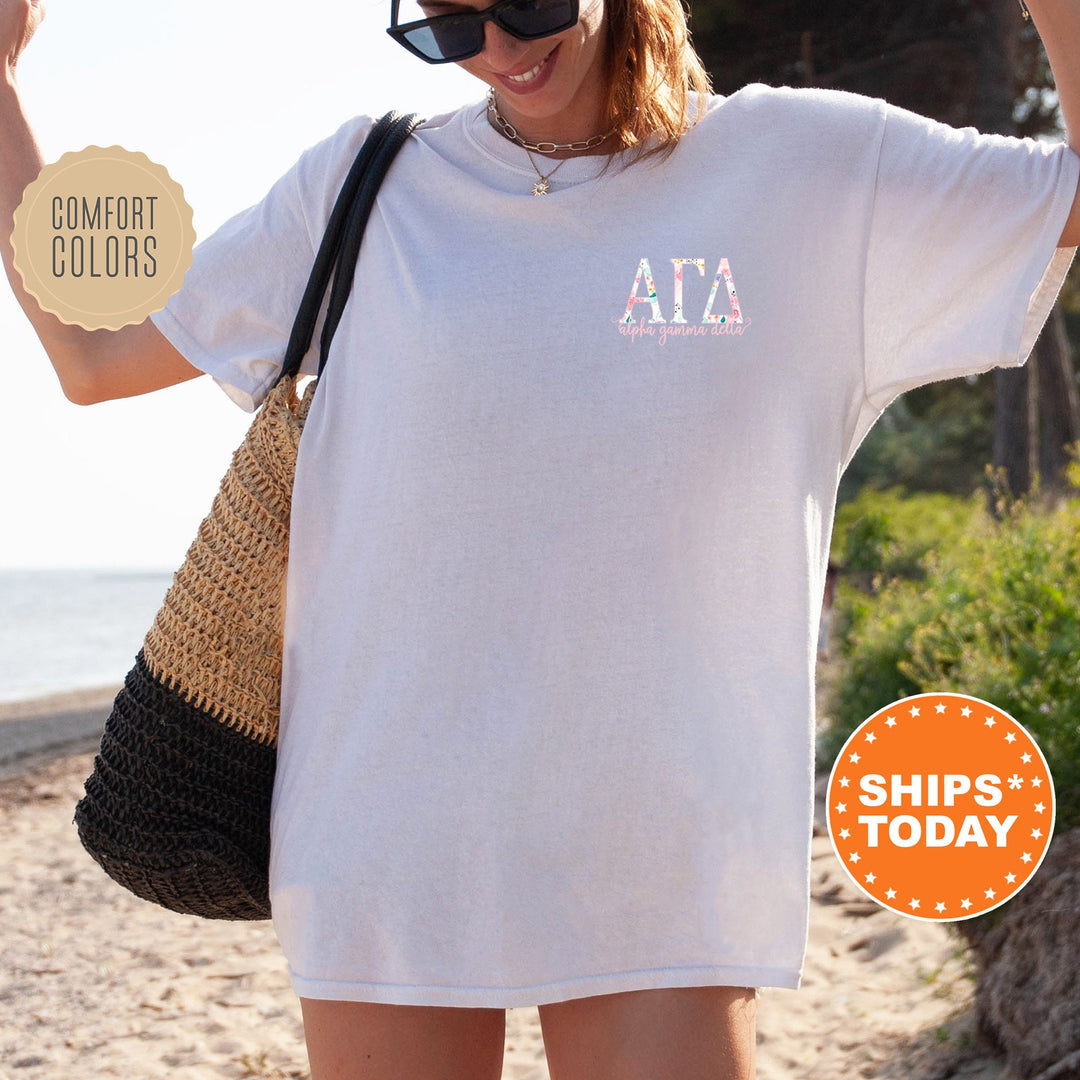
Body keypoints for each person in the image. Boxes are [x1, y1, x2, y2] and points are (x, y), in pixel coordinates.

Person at [3, 0, 1079, 1076]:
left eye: (527, 4)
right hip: (388, 821)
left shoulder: (806, 164)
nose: (501, 51)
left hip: (666, 834)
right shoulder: (365, 187)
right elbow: (95, 355)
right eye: (450, 28)